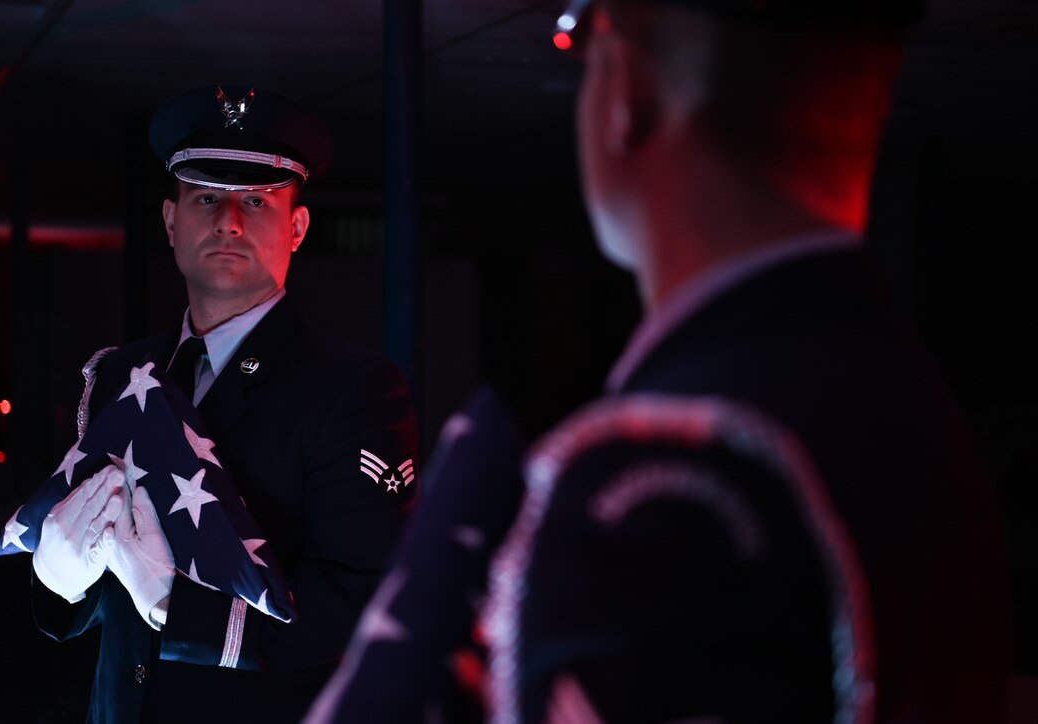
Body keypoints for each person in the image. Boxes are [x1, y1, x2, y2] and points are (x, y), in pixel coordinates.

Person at [305, 0, 1012, 722]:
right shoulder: (908, 403)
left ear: (627, 91)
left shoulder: (664, 473)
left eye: (583, 50)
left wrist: (418, 613)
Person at [25, 84, 420, 724]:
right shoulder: (120, 372)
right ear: (171, 222)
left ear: (297, 228)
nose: (229, 221)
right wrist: (58, 583)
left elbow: (367, 601)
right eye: (206, 198)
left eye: (256, 202)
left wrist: (181, 611)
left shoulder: (354, 389)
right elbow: (101, 578)